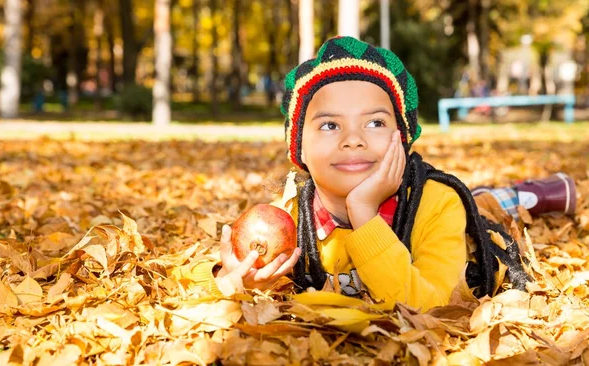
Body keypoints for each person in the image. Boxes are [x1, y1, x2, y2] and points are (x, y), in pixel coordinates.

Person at [190, 37, 577, 311]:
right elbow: (198, 279)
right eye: (329, 126)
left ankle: (533, 193)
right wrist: (234, 279)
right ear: (299, 149)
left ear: (402, 137)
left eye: (374, 123)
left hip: (437, 213)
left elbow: (429, 308)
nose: (353, 140)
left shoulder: (437, 205)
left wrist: (363, 212)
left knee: (484, 209)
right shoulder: (289, 218)